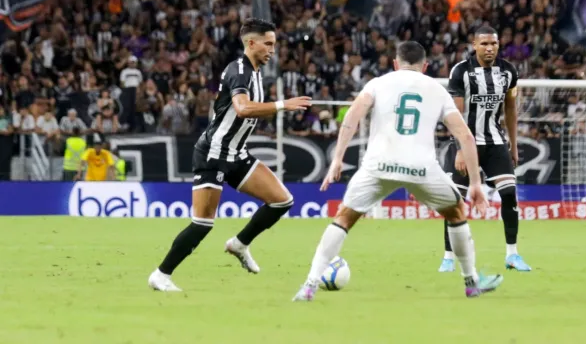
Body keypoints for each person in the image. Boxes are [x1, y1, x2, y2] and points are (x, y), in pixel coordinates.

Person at [292, 41, 504, 302]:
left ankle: (309, 286)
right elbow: (466, 136)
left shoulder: (378, 83)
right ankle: (471, 282)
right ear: (425, 67)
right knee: (456, 211)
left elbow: (351, 117)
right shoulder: (436, 90)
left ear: (395, 63)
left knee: (344, 219)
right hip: (421, 167)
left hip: (378, 165)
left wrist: (337, 159)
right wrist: (474, 182)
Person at [148, 18, 312, 292]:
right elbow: (243, 108)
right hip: (213, 154)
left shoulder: (256, 71)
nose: (272, 49)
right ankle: (161, 275)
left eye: (274, 43)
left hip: (236, 154)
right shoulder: (239, 70)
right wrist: (283, 105)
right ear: (251, 43)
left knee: (282, 201)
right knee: (202, 223)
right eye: (268, 43)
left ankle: (239, 244)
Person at [438, 26, 532, 273]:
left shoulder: (508, 72)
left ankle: (512, 255)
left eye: (493, 43)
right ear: (474, 45)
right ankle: (448, 257)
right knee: (454, 201)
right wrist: (459, 148)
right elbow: (455, 113)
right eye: (484, 44)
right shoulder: (461, 71)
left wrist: (513, 143)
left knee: (510, 194)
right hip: (466, 143)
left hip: (494, 143)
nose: (489, 48)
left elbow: (511, 109)